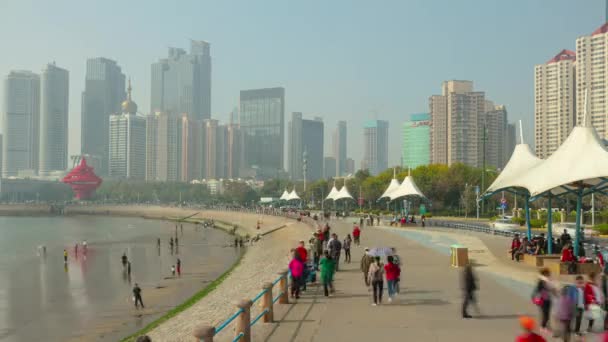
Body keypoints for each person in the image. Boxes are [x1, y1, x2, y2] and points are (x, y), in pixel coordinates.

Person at [532, 268, 556, 335]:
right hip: (543, 300)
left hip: (548, 299)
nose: (549, 274)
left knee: (547, 315)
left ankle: (545, 327)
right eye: (548, 273)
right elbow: (540, 290)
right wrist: (547, 287)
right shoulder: (541, 281)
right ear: (545, 274)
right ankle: (542, 328)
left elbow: (552, 289)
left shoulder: (547, 280)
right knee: (545, 315)